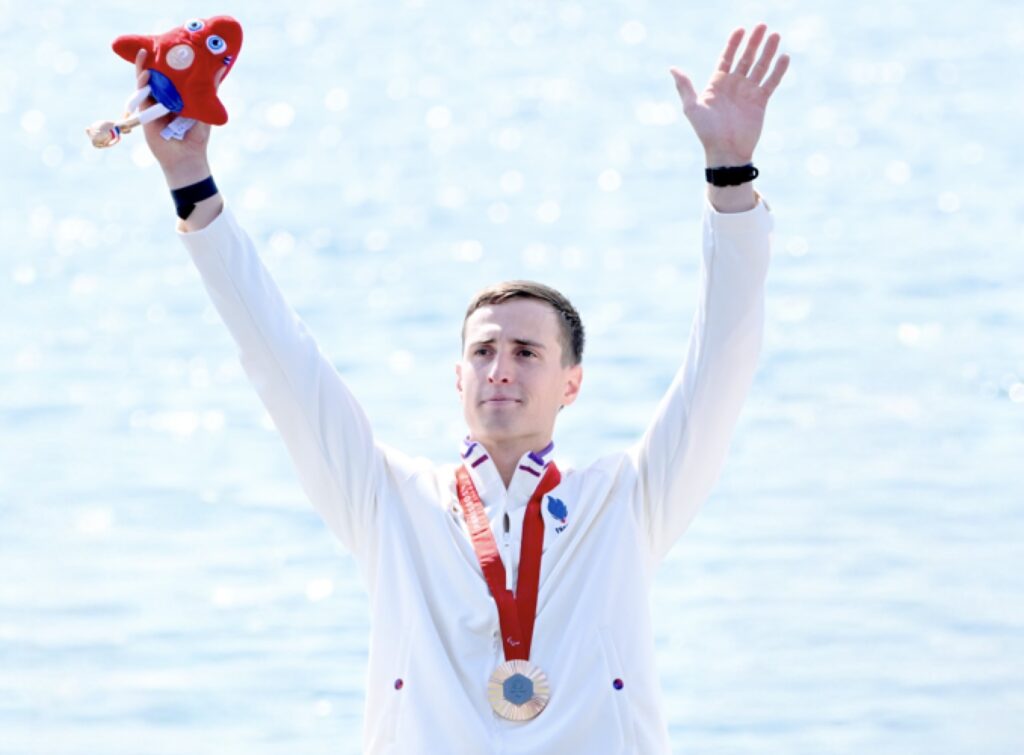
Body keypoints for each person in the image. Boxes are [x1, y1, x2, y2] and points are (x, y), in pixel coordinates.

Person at [135, 21, 788, 754]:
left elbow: (722, 362)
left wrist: (730, 176)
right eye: (484, 350)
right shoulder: (389, 499)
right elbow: (279, 359)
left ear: (572, 383)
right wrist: (188, 179)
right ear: (458, 377)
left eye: (527, 351)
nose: (501, 367)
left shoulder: (627, 499)